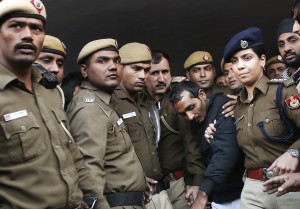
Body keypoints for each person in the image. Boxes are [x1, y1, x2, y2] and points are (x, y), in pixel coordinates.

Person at [0, 0, 101, 208]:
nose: (28, 34)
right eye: (16, 25)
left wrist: (98, 204)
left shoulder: (51, 92)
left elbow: (73, 157)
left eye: (36, 28)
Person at [223, 26, 300, 209]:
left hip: (288, 187)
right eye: (234, 61)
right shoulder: (238, 106)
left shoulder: (282, 91)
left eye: (247, 58)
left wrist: (294, 152)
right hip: (252, 189)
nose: (240, 66)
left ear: (262, 60)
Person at [66, 38, 147, 209]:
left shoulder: (103, 102)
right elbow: (89, 169)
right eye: (102, 61)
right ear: (84, 70)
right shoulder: (88, 108)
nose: (113, 66)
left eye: (116, 61)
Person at [140, 50, 205, 209]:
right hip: (150, 189)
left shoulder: (178, 97)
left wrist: (196, 182)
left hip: (178, 183)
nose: (162, 78)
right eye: (155, 73)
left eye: (165, 72)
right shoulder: (137, 100)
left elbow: (190, 143)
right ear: (145, 74)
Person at [111, 42, 171, 208]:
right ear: (119, 68)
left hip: (159, 190)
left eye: (146, 70)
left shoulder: (146, 101)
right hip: (133, 195)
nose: (142, 75)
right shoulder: (110, 102)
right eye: (135, 69)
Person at [169, 81, 244, 209]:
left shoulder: (225, 107)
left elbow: (225, 153)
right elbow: (192, 150)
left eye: (191, 107)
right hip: (218, 196)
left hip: (239, 195)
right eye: (183, 114)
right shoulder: (195, 119)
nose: (190, 116)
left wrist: (203, 194)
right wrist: (191, 182)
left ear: (202, 95)